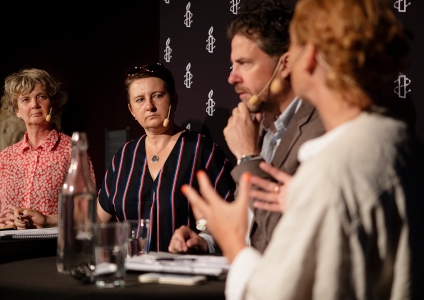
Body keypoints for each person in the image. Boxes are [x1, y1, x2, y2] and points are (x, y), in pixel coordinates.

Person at [181, 0, 424, 299]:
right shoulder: (397, 140)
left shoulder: (331, 170)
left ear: (307, 57)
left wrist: (233, 243)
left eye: (294, 47)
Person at [168, 0, 324, 254]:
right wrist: (206, 241)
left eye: (245, 63)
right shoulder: (262, 124)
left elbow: (291, 237)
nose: (232, 76)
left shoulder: (320, 130)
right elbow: (251, 222)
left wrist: (247, 157)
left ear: (284, 64)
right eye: (233, 64)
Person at [97, 63, 235, 252]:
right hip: (131, 274)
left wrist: (203, 241)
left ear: (174, 100)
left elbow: (229, 217)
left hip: (184, 271)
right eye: (140, 100)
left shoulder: (202, 150)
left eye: (157, 96)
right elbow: (97, 220)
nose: (149, 106)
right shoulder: (123, 157)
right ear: (131, 110)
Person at [0, 67, 96, 229]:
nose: (34, 104)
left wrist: (47, 219)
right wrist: (2, 222)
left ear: (52, 104)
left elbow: (90, 211)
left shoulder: (72, 150)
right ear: (17, 111)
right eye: (25, 99)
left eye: (41, 97)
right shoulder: (6, 156)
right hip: (9, 248)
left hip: (52, 247)